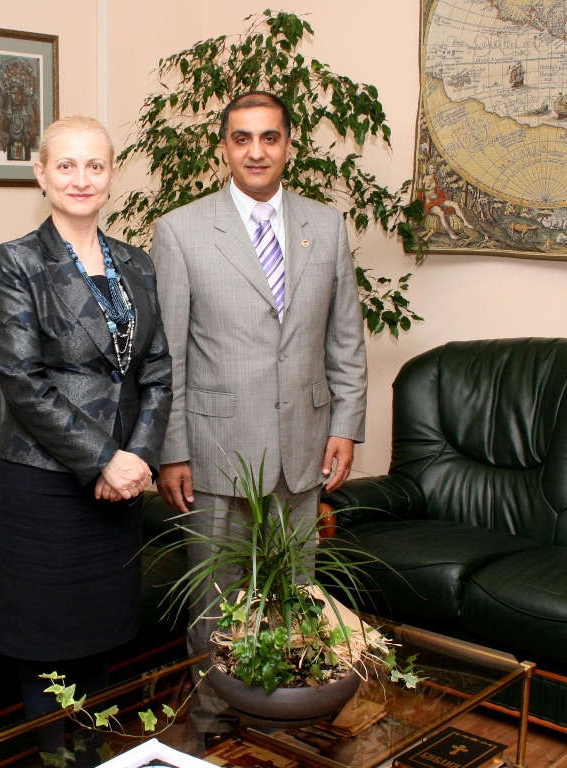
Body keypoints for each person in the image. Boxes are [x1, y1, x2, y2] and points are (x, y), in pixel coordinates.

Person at [152, 92, 368, 653]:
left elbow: (344, 336)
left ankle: (281, 722)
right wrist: (172, 450)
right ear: (223, 147)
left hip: (303, 449)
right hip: (215, 453)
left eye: (269, 137)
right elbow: (168, 354)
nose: (256, 151)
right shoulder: (180, 231)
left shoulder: (326, 225)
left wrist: (345, 424)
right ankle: (214, 720)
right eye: (242, 138)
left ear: (288, 146)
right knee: (216, 605)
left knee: (295, 597)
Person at [0, 115, 173, 718]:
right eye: (65, 165)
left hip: (120, 486)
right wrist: (103, 458)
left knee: (101, 640)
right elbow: (23, 381)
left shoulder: (137, 263)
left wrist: (139, 457)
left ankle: (93, 753)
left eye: (95, 165)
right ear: (41, 173)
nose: (81, 178)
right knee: (48, 645)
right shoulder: (17, 261)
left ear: (112, 175)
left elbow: (158, 369)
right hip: (45, 481)